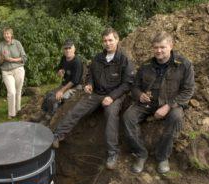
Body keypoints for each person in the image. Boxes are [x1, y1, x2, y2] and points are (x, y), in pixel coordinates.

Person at [52, 28, 134, 170]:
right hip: (97, 93)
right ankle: (58, 134)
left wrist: (112, 97)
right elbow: (90, 74)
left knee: (110, 115)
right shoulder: (98, 58)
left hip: (115, 95)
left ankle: (112, 153)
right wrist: (89, 84)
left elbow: (127, 84)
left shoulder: (124, 59)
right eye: (105, 41)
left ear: (117, 40)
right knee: (77, 109)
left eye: (110, 40)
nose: (107, 43)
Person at [123, 31, 195, 174]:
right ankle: (141, 153)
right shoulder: (146, 65)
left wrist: (168, 106)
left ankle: (162, 156)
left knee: (176, 117)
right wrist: (139, 95)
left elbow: (188, 91)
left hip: (171, 102)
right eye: (156, 47)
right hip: (148, 102)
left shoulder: (184, 64)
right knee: (128, 117)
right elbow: (135, 86)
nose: (158, 51)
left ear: (171, 46)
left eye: (162, 47)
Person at [40, 39, 83, 121]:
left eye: (69, 48)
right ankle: (43, 113)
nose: (67, 50)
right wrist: (60, 72)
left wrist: (61, 91)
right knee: (48, 95)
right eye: (66, 48)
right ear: (63, 49)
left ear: (74, 49)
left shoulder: (77, 62)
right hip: (65, 84)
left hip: (75, 87)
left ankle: (50, 119)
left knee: (55, 99)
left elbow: (74, 81)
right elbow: (59, 69)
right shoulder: (63, 58)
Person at [0, 27, 27, 119]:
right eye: (5, 34)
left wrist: (12, 59)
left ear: (11, 35)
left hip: (18, 69)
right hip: (6, 71)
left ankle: (18, 110)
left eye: (8, 33)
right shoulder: (1, 45)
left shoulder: (17, 43)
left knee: (18, 91)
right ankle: (11, 113)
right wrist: (2, 58)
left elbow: (24, 58)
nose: (6, 35)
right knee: (11, 92)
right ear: (3, 35)